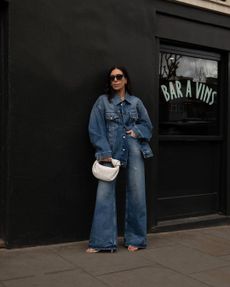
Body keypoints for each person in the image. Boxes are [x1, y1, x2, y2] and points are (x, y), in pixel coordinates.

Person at [87, 66, 153, 253]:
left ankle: (136, 239)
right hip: (110, 151)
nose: (115, 80)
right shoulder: (103, 102)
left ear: (125, 80)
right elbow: (95, 128)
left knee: (137, 194)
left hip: (134, 150)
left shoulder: (136, 103)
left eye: (119, 76)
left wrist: (137, 131)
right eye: (112, 78)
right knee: (104, 194)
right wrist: (103, 150)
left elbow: (148, 126)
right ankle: (102, 242)